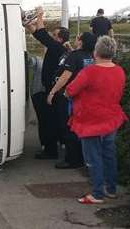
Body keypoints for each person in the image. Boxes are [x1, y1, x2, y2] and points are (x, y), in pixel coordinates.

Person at [65, 36, 128, 204]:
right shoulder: (119, 70)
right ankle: (111, 189)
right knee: (109, 155)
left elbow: (70, 90)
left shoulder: (90, 71)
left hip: (90, 121)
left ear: (96, 52)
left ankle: (97, 194)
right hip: (111, 118)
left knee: (93, 158)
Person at [47, 32, 97, 169]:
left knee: (68, 127)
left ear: (81, 41)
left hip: (70, 98)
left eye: (77, 37)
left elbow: (65, 76)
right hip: (86, 98)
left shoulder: (74, 56)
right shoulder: (92, 57)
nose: (75, 39)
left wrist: (52, 92)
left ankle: (72, 160)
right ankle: (82, 157)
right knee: (81, 128)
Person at [25, 11, 70, 159]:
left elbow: (43, 34)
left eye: (55, 35)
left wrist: (39, 16)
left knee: (48, 121)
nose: (52, 36)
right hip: (52, 90)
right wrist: (28, 25)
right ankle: (53, 146)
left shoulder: (57, 48)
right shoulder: (58, 48)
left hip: (51, 91)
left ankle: (50, 150)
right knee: (51, 120)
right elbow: (40, 36)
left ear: (60, 39)